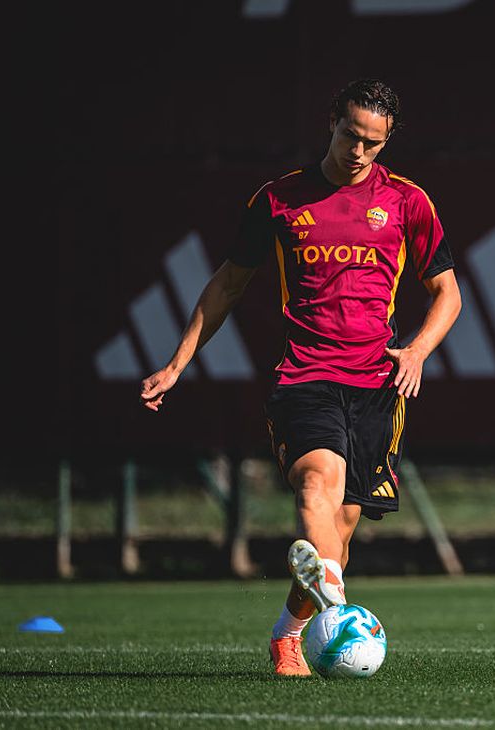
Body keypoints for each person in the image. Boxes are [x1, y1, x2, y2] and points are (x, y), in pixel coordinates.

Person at [139, 79, 461, 676]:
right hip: (305, 376)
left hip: (377, 386)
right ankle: (338, 608)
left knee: (338, 532)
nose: (359, 152)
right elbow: (228, 284)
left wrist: (416, 351)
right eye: (350, 135)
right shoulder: (279, 200)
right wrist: (177, 362)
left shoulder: (407, 202)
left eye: (373, 143)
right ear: (331, 122)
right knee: (318, 482)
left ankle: (290, 631)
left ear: (386, 143)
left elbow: (447, 293)